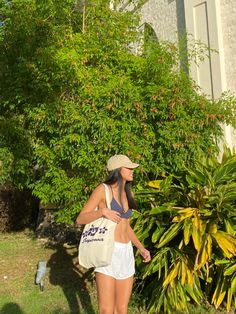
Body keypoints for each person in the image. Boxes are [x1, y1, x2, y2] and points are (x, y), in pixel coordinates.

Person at [76, 154, 151, 314]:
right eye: (128, 167)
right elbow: (81, 218)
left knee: (121, 309)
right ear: (117, 170)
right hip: (108, 251)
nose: (132, 170)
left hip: (126, 253)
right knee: (106, 309)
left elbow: (126, 227)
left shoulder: (128, 192)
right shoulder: (102, 190)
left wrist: (141, 248)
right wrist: (102, 212)